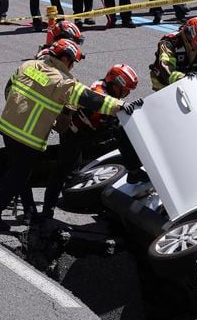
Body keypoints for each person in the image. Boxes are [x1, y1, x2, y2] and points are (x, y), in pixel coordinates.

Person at [0, 39, 138, 230]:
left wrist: (18, 111)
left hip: (8, 127)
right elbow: (90, 98)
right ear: (64, 57)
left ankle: (22, 213)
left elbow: (9, 89)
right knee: (19, 175)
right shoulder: (61, 81)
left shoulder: (28, 65)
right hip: (28, 135)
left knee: (17, 174)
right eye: (72, 62)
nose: (72, 66)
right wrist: (120, 106)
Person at [43, 63, 140, 219]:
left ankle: (134, 172)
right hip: (74, 134)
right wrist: (122, 108)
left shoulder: (109, 89)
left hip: (90, 131)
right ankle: (47, 211)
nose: (127, 93)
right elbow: (103, 104)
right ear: (115, 83)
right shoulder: (98, 90)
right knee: (62, 172)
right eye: (126, 89)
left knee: (122, 132)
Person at [149, 17, 197, 91]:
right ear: (189, 37)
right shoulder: (169, 43)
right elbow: (166, 69)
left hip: (191, 78)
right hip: (165, 81)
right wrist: (183, 78)